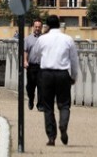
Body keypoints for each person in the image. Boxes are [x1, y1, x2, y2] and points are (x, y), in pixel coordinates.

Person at [34, 14, 79, 146]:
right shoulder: (68, 39)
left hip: (46, 74)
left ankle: (51, 137)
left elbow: (36, 54)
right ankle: (63, 125)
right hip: (62, 74)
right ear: (59, 25)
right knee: (64, 104)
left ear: (47, 25)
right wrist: (73, 76)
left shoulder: (42, 39)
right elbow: (74, 60)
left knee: (48, 106)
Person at [22, 20, 44, 111]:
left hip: (42, 67)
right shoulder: (27, 39)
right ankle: (31, 99)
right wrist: (25, 61)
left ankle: (40, 105)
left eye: (39, 27)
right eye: (36, 27)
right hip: (31, 66)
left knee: (41, 86)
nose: (37, 28)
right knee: (30, 87)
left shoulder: (45, 39)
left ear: (41, 28)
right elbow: (25, 51)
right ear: (33, 27)